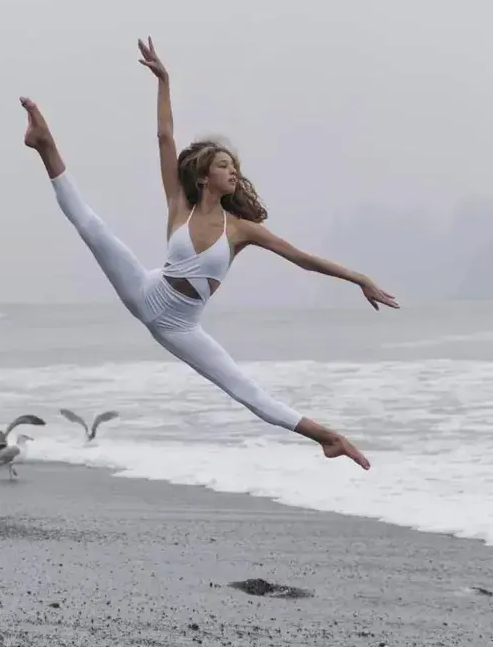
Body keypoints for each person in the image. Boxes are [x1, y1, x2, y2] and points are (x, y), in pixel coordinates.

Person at [20, 37, 399, 471]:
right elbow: (164, 137)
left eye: (235, 166)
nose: (232, 171)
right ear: (203, 176)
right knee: (91, 225)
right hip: (147, 291)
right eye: (223, 165)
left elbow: (303, 259)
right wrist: (164, 81)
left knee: (246, 390)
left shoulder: (241, 230)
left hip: (181, 325)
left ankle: (329, 438)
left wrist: (359, 278)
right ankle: (44, 144)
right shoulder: (179, 204)